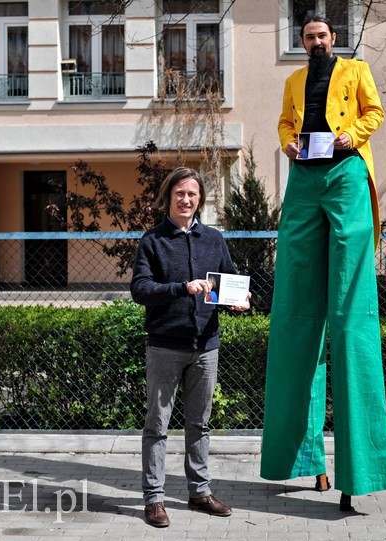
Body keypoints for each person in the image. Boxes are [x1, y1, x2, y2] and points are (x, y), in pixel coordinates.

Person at [260, 16, 386, 512]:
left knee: (349, 314)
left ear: (333, 39)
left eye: (322, 36)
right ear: (302, 43)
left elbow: (375, 112)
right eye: (308, 37)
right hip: (303, 179)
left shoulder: (356, 71)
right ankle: (304, 459)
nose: (315, 42)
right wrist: (287, 143)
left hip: (345, 173)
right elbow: (284, 122)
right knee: (295, 315)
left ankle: (357, 473)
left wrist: (351, 137)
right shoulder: (294, 80)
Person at [131, 167, 248, 528]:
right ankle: (154, 499)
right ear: (168, 197)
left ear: (200, 199)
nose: (186, 200)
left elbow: (230, 281)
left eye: (192, 194)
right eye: (179, 193)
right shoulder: (153, 240)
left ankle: (199, 492)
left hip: (206, 346)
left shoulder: (213, 239)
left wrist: (239, 299)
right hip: (165, 346)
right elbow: (140, 290)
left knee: (200, 424)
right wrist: (182, 288)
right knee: (157, 425)